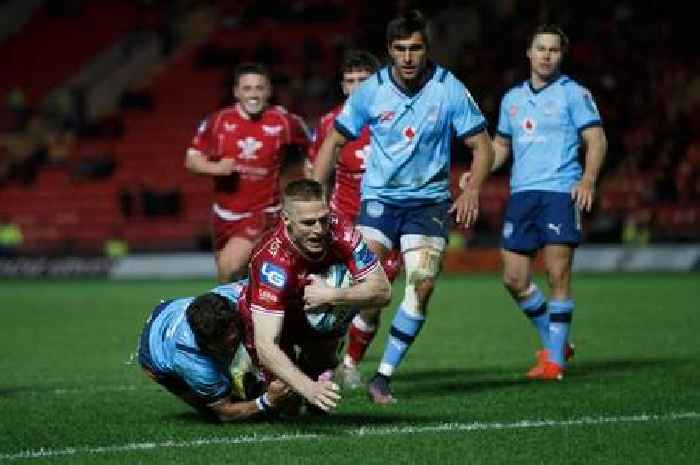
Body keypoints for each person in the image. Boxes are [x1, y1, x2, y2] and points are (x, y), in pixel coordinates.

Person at [313, 10, 494, 404]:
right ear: (389, 51)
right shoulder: (372, 91)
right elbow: (332, 143)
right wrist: (314, 196)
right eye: (400, 49)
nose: (408, 57)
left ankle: (383, 377)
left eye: (415, 48)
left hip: (427, 203)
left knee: (422, 285)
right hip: (379, 200)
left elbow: (482, 145)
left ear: (426, 49)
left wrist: (473, 189)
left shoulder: (449, 89)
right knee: (362, 284)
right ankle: (321, 360)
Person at [490, 24, 607, 380]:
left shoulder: (575, 94)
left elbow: (596, 139)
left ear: (561, 55)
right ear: (529, 52)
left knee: (557, 274)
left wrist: (587, 179)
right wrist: (478, 173)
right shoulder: (511, 99)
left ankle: (554, 361)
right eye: (540, 48)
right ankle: (557, 342)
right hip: (522, 194)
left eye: (553, 50)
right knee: (513, 278)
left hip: (560, 191)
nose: (546, 55)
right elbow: (501, 147)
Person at [241, 179, 392, 412]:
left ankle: (308, 373)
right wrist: (309, 388)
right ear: (286, 220)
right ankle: (245, 380)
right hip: (271, 322)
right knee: (285, 400)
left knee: (324, 360)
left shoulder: (341, 231)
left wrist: (332, 295)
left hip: (315, 316)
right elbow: (266, 345)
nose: (319, 230)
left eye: (323, 219)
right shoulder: (272, 262)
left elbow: (383, 292)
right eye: (308, 223)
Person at [305, 50, 402, 389]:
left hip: (391, 221)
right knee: (329, 295)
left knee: (374, 300)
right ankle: (320, 363)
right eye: (350, 81)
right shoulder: (330, 123)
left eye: (365, 80)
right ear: (342, 86)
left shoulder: (398, 117)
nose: (357, 86)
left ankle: (350, 363)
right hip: (342, 221)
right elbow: (316, 171)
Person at [185, 62, 310, 282]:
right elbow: (191, 160)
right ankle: (250, 313)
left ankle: (226, 314)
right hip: (222, 215)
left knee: (229, 267)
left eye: (259, 88)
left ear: (269, 91)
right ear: (236, 92)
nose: (253, 94)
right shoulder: (218, 122)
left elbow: (316, 147)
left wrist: (311, 182)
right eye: (247, 88)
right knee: (236, 279)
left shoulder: (284, 122)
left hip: (262, 214)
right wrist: (216, 168)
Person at [137, 281, 293, 421]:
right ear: (206, 344)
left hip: (172, 308)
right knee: (212, 412)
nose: (233, 347)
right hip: (152, 352)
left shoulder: (236, 296)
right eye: (226, 345)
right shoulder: (192, 360)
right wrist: (267, 401)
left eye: (235, 339)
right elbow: (224, 412)